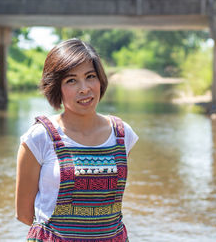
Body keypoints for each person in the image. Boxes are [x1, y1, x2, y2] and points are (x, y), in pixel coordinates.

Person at [15, 38, 138, 241]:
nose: (84, 88)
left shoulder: (122, 134)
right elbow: (24, 214)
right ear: (57, 87)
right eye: (71, 80)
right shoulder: (39, 137)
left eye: (90, 76)